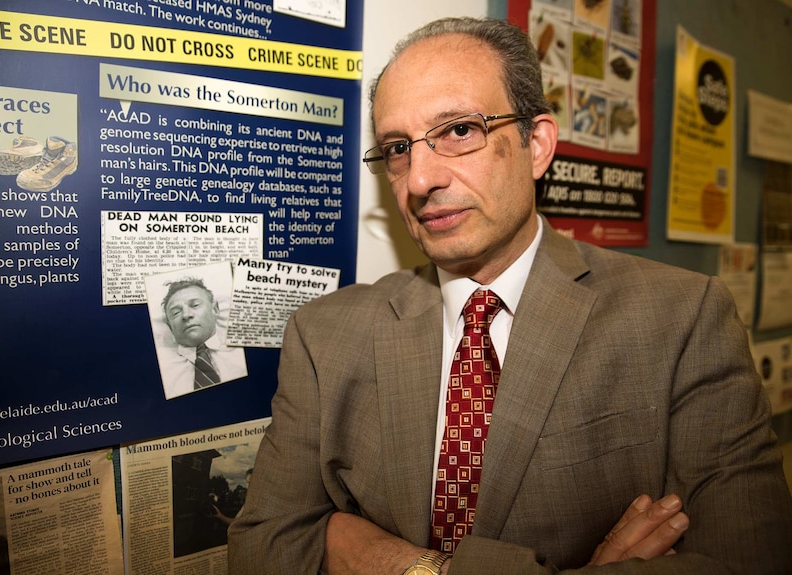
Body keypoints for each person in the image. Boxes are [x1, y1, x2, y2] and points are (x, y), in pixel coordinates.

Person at [227, 17, 792, 575]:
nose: (420, 179)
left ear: (537, 144)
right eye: (398, 147)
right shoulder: (323, 335)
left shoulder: (681, 318)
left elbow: (748, 559)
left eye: (458, 130)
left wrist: (401, 563)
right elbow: (261, 551)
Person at [157, 277, 247, 399]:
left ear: (215, 309)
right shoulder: (162, 373)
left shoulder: (243, 353)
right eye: (176, 313)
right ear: (169, 325)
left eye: (195, 305)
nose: (186, 315)